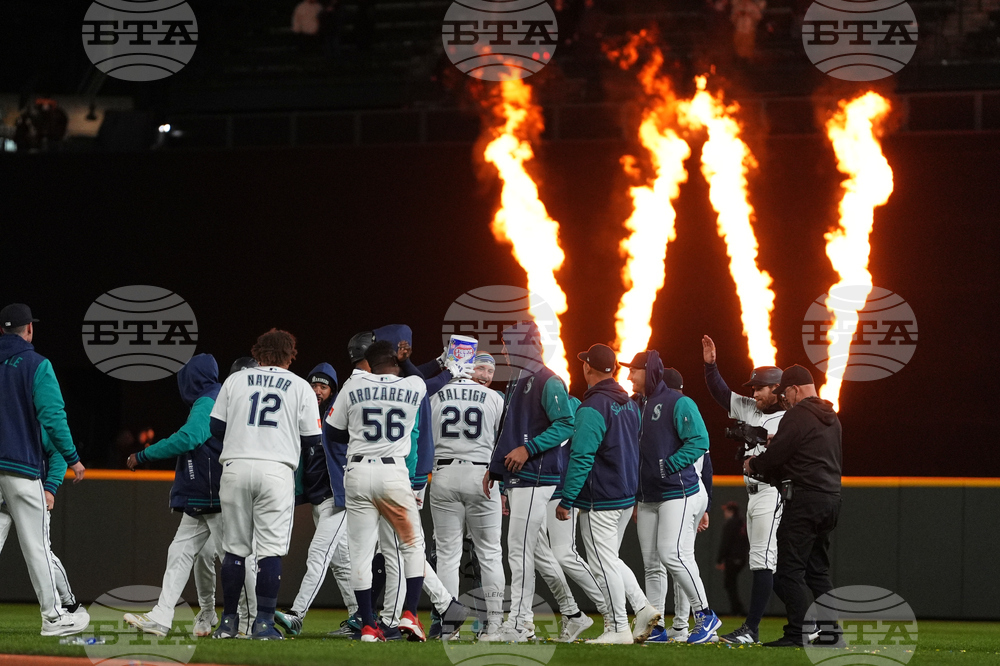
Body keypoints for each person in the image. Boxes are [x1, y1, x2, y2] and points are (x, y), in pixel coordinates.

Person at [123, 354, 257, 638]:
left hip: (215, 493)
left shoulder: (209, 399)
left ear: (192, 377)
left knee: (232, 558)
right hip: (205, 494)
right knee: (181, 554)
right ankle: (162, 616)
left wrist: (144, 454)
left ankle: (249, 621)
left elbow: (189, 437)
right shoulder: (215, 396)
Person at [209, 329, 322, 640]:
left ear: (257, 350)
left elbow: (216, 427)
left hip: (235, 466)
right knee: (269, 552)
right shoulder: (300, 386)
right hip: (276, 470)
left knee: (234, 551)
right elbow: (313, 440)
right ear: (290, 354)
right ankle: (263, 624)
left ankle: (229, 623)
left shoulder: (236, 380)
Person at [325, 340, 430, 642]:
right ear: (396, 361)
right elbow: (419, 378)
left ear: (368, 364)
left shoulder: (353, 385)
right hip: (393, 471)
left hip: (357, 470)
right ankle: (409, 614)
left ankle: (368, 626)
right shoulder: (412, 384)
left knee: (360, 552)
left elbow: (332, 432)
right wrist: (406, 361)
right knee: (412, 545)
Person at [557, 344, 660, 645]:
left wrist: (567, 498)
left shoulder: (592, 407)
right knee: (610, 560)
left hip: (601, 497)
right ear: (613, 370)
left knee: (603, 564)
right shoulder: (629, 403)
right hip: (625, 495)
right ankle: (641, 607)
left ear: (588, 368)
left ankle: (617, 628)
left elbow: (582, 457)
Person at [482, 321, 575, 643]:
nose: (504, 349)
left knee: (518, 550)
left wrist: (529, 448)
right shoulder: (517, 380)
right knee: (533, 552)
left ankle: (521, 623)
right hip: (521, 477)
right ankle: (572, 613)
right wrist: (497, 471)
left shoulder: (547, 379)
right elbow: (508, 431)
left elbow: (566, 424)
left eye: (509, 343)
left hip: (538, 475)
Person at [623, 349, 722, 645]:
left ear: (649, 371)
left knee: (672, 554)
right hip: (648, 495)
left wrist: (669, 465)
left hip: (677, 491)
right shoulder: (635, 404)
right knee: (652, 564)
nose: (629, 375)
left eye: (634, 370)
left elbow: (700, 441)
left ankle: (705, 615)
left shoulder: (678, 402)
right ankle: (657, 627)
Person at [0, 303, 88, 637]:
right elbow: (52, 416)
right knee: (37, 545)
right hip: (20, 466)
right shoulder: (37, 364)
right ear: (29, 330)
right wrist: (73, 457)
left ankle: (58, 612)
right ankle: (53, 617)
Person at [745, 364, 843, 648]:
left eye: (785, 393)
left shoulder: (797, 415)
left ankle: (798, 632)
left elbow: (775, 459)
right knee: (817, 571)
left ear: (794, 388)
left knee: (788, 569)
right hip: (831, 500)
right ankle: (830, 634)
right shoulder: (831, 416)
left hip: (805, 500)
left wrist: (754, 464)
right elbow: (809, 452)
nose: (784, 400)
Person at [702, 335, 784, 644]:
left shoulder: (789, 416)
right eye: (753, 388)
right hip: (754, 492)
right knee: (765, 562)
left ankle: (751, 629)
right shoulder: (750, 407)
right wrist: (711, 366)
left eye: (759, 387)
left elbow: (784, 452)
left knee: (763, 560)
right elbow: (721, 394)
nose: (754, 392)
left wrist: (760, 437)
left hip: (773, 491)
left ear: (775, 388)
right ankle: (809, 621)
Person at [274, 363, 357, 637]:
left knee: (318, 554)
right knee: (341, 564)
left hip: (339, 499)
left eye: (323, 386)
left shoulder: (339, 416)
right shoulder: (302, 414)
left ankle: (297, 614)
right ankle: (360, 617)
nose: (317, 390)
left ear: (332, 390)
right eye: (313, 385)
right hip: (318, 499)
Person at [428, 352, 506, 635]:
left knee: (447, 554)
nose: (485, 374)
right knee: (490, 553)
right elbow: (503, 441)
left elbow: (423, 434)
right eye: (480, 368)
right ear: (470, 369)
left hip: (444, 473)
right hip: (482, 475)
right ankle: (494, 625)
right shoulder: (495, 397)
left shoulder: (438, 392)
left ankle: (450, 625)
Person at [0, 431, 88, 627]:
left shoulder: (33, 415)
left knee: (40, 551)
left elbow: (57, 452)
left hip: (29, 488)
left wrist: (50, 488)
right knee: (40, 552)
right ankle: (63, 610)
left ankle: (69, 604)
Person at [716, 502, 749, 616]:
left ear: (731, 511)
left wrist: (720, 560)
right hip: (741, 558)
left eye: (726, 511)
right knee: (731, 583)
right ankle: (737, 609)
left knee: (730, 583)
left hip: (732, 558)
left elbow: (726, 542)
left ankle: (737, 610)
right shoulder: (742, 523)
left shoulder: (731, 523)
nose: (724, 513)